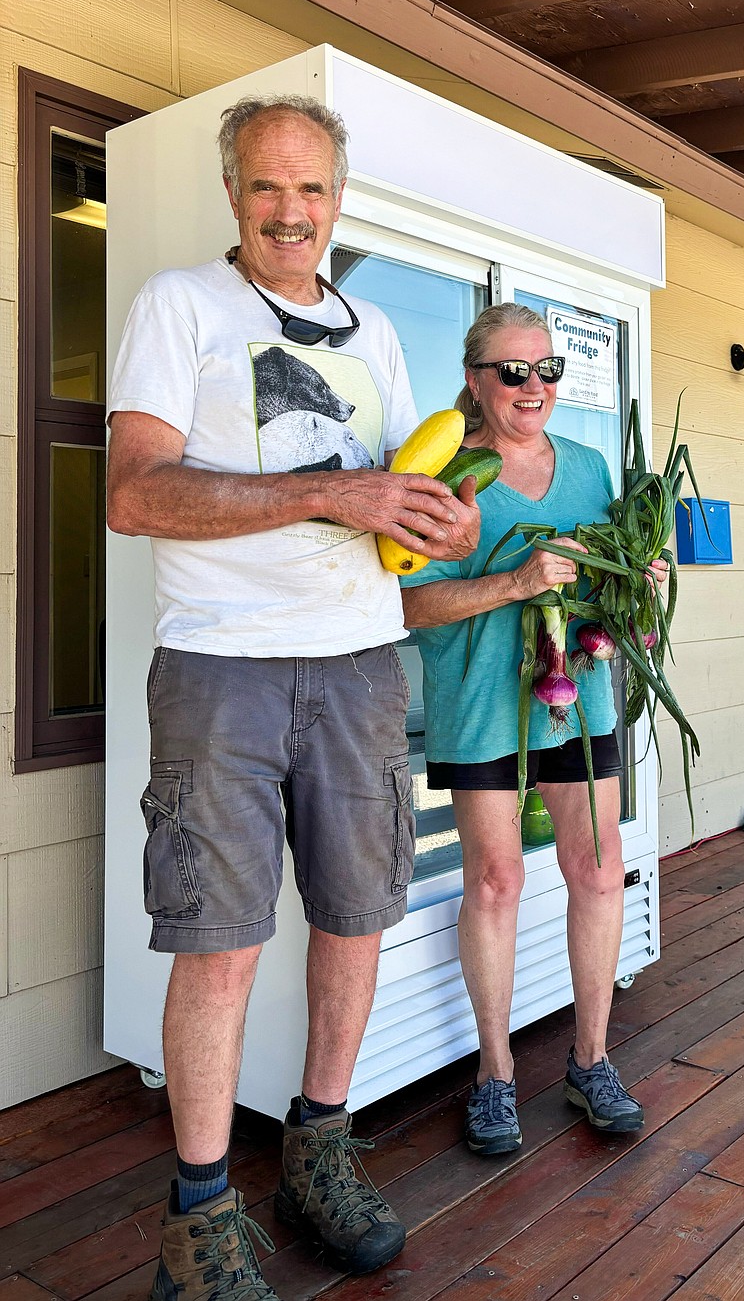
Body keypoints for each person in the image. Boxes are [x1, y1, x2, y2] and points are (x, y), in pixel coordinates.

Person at [106, 94, 480, 1301]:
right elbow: (137, 493)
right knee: (219, 942)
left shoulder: (373, 327)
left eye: (311, 189)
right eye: (267, 187)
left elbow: (390, 505)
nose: (290, 211)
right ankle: (201, 1217)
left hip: (362, 660)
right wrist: (329, 494)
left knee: (355, 916)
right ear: (233, 194)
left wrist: (436, 519)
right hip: (224, 663)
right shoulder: (179, 305)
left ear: (337, 198)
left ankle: (319, 1145)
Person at [402, 303, 665, 1156]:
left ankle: (591, 1060)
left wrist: (641, 570)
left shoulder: (589, 466)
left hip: (579, 696)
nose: (533, 387)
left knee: (597, 867)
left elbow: (621, 574)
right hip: (480, 705)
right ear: (475, 379)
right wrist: (513, 583)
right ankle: (495, 1073)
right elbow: (408, 601)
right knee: (495, 883)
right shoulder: (450, 473)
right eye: (512, 371)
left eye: (547, 370)